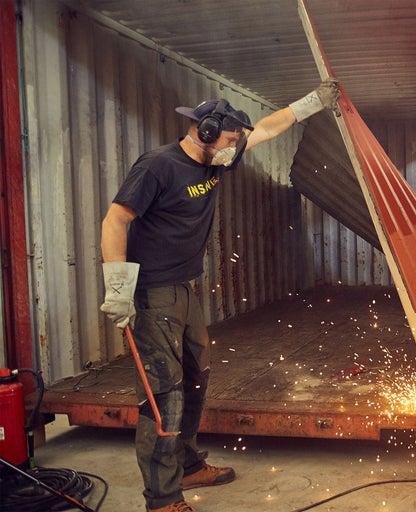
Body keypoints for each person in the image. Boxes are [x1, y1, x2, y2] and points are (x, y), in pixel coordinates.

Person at [99, 80, 340, 512]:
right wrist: (118, 288)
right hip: (152, 293)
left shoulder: (216, 159)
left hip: (183, 289)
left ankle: (188, 465)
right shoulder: (158, 166)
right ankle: (163, 498)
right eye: (230, 141)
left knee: (196, 376)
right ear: (207, 132)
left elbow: (267, 128)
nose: (235, 150)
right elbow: (115, 219)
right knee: (164, 394)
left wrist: (311, 103)